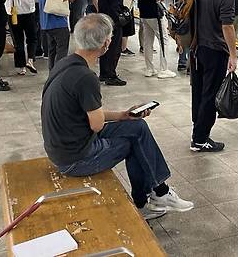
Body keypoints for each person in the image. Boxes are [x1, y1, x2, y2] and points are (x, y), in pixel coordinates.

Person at [41, 14, 194, 220]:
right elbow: (96, 125)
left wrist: (123, 115)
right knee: (134, 143)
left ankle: (159, 193)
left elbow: (88, 114)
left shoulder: (65, 64)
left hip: (62, 146)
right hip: (75, 159)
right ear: (106, 43)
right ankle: (148, 200)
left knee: (137, 126)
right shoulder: (86, 78)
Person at [189, 0, 236, 153]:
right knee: (210, 95)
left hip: (197, 46)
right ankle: (200, 139)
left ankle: (196, 130)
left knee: (198, 91)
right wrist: (233, 55)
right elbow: (227, 26)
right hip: (216, 49)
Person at [134, 0, 177, 79]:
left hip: (143, 13)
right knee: (164, 40)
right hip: (154, 14)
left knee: (148, 41)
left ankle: (149, 68)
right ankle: (164, 69)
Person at [97, 0, 135, 86]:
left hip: (103, 16)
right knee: (114, 47)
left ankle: (103, 73)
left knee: (105, 46)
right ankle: (111, 76)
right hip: (114, 17)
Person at [0, 0, 39, 75]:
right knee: (32, 38)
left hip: (13, 14)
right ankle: (31, 60)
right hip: (29, 13)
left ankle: (21, 67)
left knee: (18, 41)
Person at [37, 0, 77, 71]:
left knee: (51, 50)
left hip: (45, 21)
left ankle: (52, 72)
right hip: (57, 21)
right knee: (62, 50)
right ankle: (59, 73)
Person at [176, 0, 204, 71]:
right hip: (191, 13)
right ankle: (190, 66)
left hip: (181, 12)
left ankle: (182, 62)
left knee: (183, 36)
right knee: (192, 39)